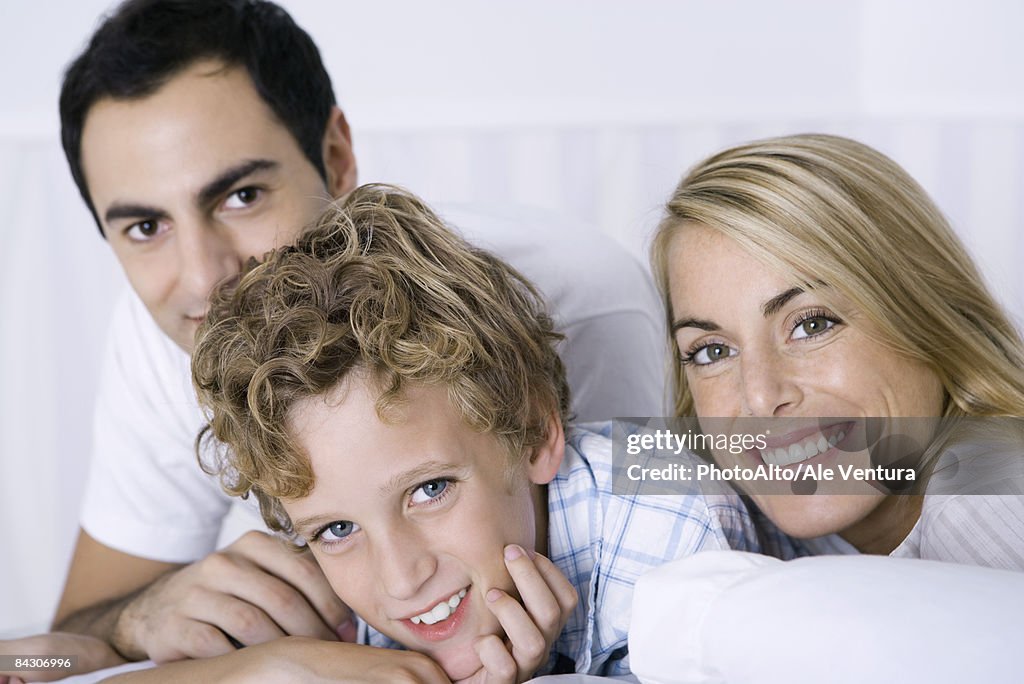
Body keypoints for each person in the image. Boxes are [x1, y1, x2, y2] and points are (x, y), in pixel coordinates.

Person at [45, 0, 666, 667]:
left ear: (337, 157)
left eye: (242, 196)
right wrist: (147, 619)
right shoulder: (162, 338)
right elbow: (63, 643)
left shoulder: (575, 303)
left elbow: (733, 474)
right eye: (146, 228)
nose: (203, 279)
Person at [88, 183, 758, 682]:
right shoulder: (335, 582)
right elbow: (50, 662)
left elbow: (849, 455)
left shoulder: (669, 517)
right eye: (336, 530)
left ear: (533, 432)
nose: (401, 577)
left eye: (430, 489)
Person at [649, 132, 1024, 569]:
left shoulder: (984, 502)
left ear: (928, 312)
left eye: (811, 325)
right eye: (712, 352)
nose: (760, 397)